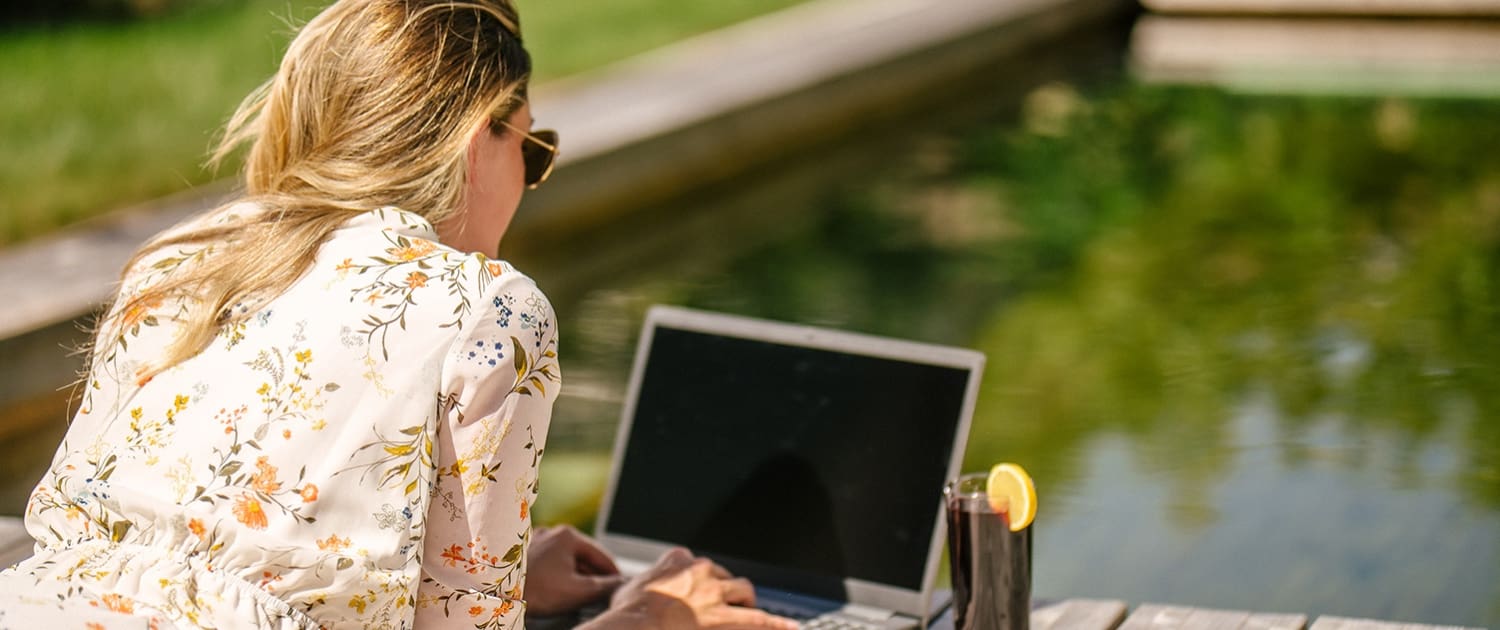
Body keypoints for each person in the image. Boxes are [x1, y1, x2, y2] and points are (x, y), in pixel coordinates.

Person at [0, 1, 796, 628]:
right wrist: (654, 618)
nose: (528, 180)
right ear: (475, 140)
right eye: (533, 149)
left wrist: (502, 577)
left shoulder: (182, 263)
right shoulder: (486, 310)